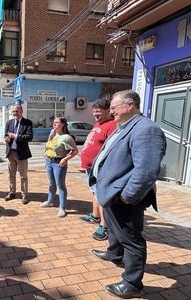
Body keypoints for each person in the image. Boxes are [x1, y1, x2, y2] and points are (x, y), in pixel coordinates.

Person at [89, 90, 166, 299]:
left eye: (114, 107)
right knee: (114, 230)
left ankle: (132, 283)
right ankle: (114, 254)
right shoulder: (124, 126)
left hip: (124, 197)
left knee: (131, 239)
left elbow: (146, 170)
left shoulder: (146, 129)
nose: (111, 110)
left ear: (130, 105)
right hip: (111, 192)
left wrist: (127, 196)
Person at [78, 99, 116, 240]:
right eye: (94, 111)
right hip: (90, 168)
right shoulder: (98, 124)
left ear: (108, 111)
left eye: (99, 111)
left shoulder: (111, 125)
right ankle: (95, 216)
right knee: (94, 192)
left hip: (101, 168)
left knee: (102, 196)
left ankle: (104, 226)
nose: (95, 114)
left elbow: (111, 149)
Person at [41, 117, 79, 217]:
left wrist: (65, 159)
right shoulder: (52, 134)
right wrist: (46, 155)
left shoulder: (67, 137)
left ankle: (62, 207)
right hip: (49, 161)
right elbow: (48, 146)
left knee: (60, 185)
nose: (54, 124)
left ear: (63, 124)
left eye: (57, 122)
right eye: (54, 122)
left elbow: (75, 151)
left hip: (59, 163)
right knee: (51, 184)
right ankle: (50, 201)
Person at [4, 104, 33, 204]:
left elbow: (29, 137)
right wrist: (6, 139)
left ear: (21, 111)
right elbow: (5, 135)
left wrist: (15, 136)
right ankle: (12, 192)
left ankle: (24, 195)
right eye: (13, 111)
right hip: (10, 153)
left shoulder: (28, 123)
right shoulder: (9, 122)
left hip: (21, 153)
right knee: (11, 175)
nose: (15, 113)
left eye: (17, 111)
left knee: (23, 176)